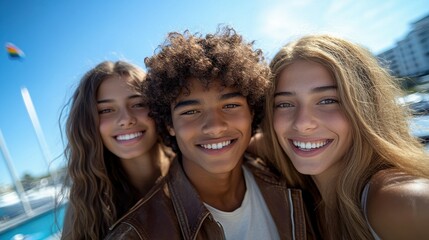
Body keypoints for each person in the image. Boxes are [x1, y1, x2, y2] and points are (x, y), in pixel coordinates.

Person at [105, 27, 313, 240]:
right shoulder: (137, 235)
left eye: (230, 105)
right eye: (191, 111)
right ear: (170, 124)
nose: (215, 126)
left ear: (252, 111)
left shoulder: (294, 180)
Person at [260, 34, 429, 239]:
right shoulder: (302, 191)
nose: (303, 123)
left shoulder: (401, 202)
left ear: (365, 107)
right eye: (285, 104)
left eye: (327, 100)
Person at [59, 61, 172, 239]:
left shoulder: (194, 170)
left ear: (157, 107)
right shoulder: (86, 202)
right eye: (106, 110)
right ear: (88, 124)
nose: (125, 119)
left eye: (138, 104)